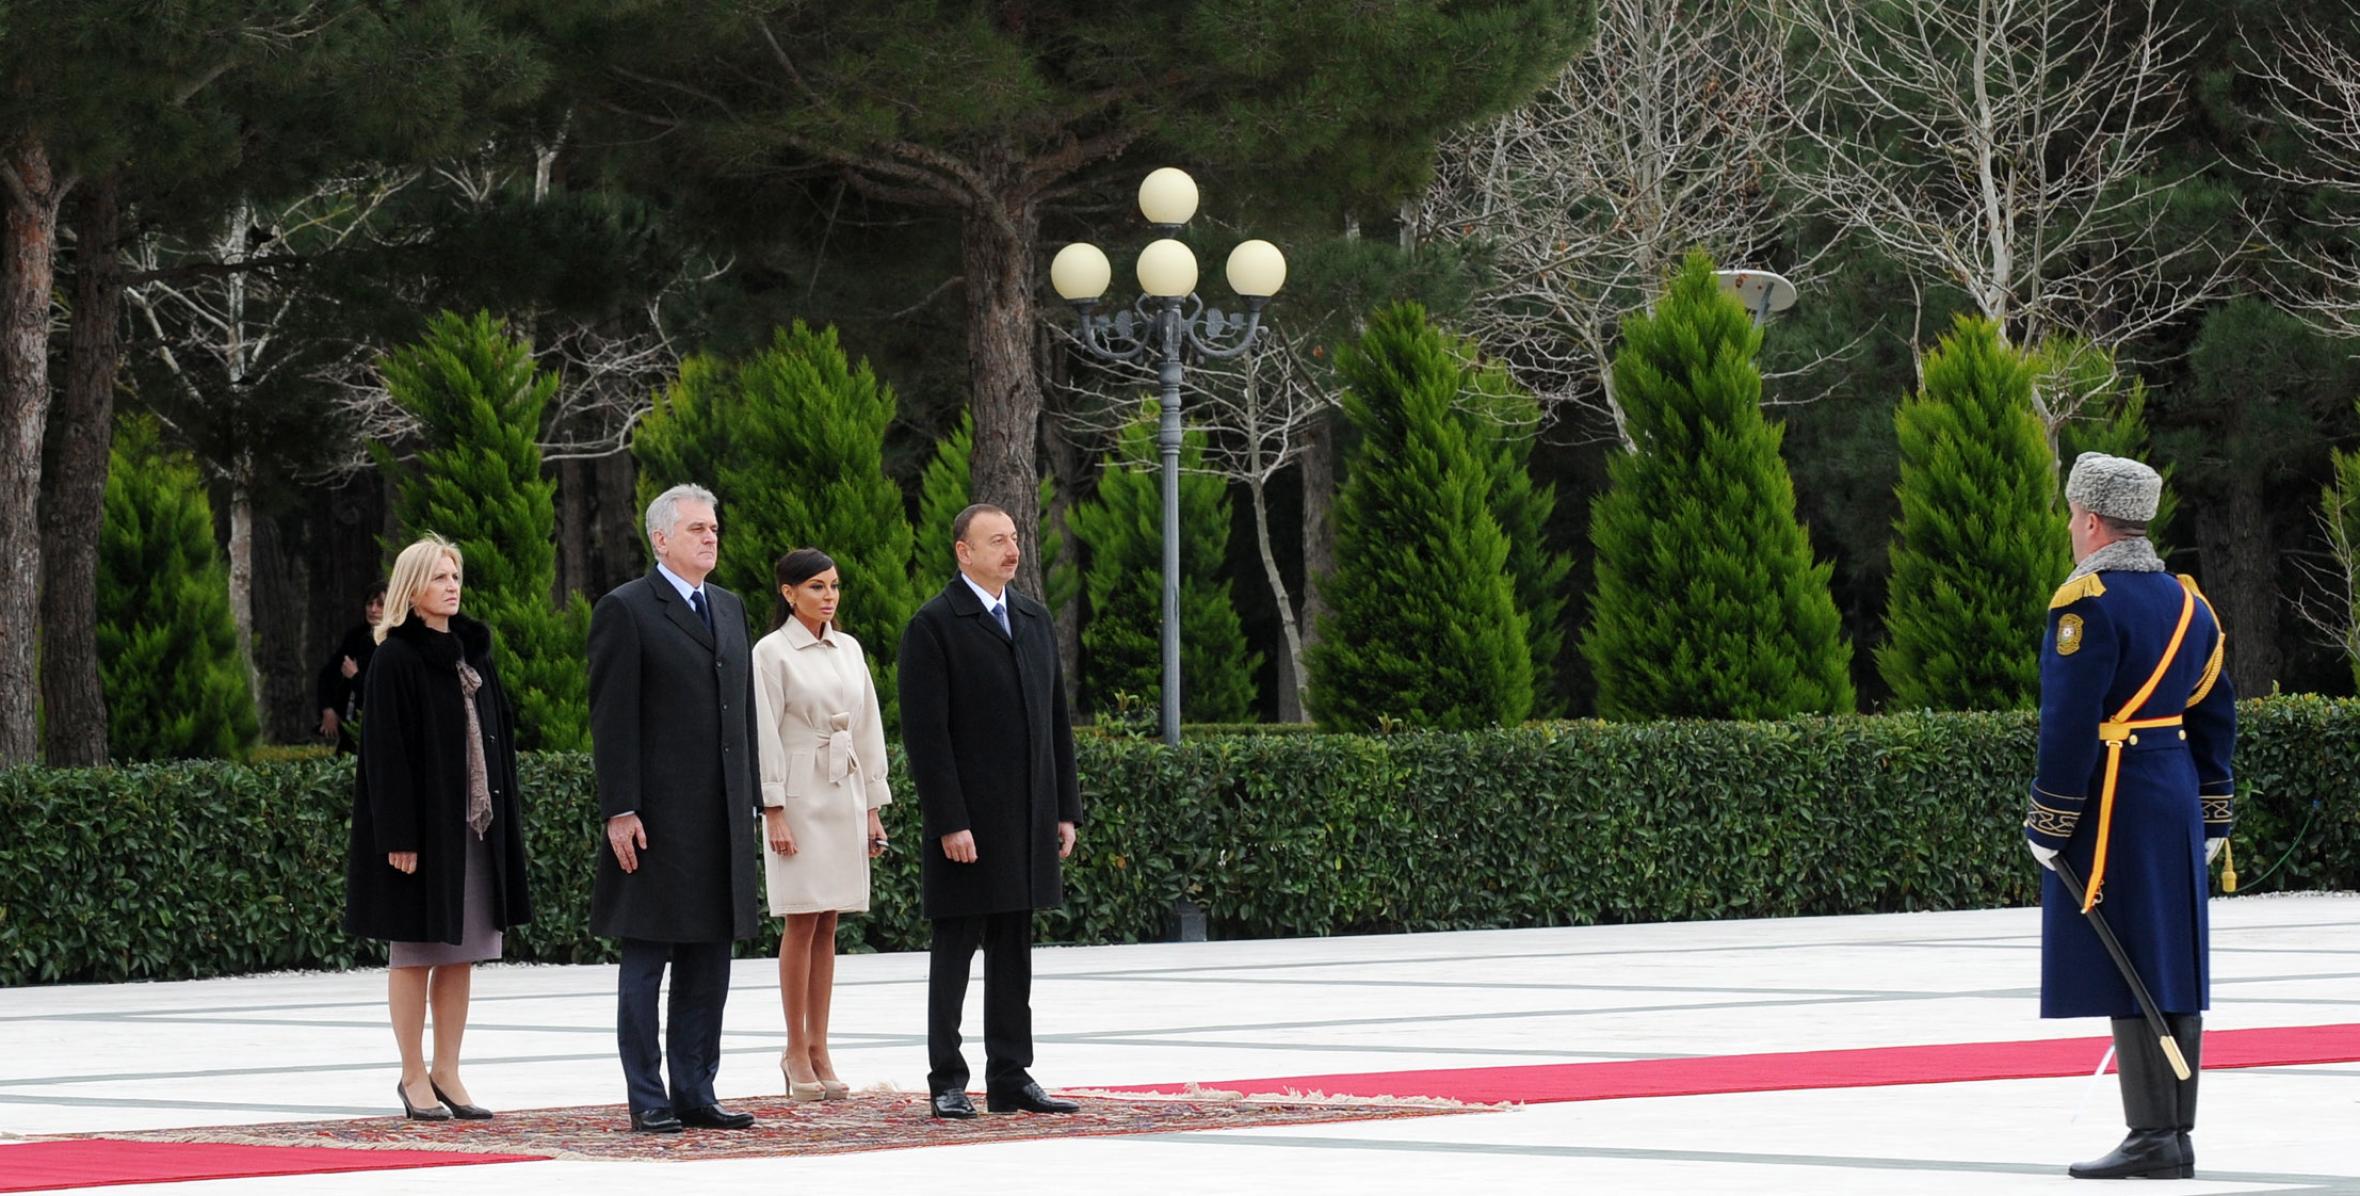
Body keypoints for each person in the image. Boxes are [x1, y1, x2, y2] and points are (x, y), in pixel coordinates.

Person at [2023, 452, 2235, 1181]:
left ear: (2089, 520)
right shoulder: (2189, 605)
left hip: (2115, 800)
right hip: (2173, 794)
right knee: (2170, 961)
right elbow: (2216, 715)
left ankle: (2153, 1135)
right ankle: (2172, 1133)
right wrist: (2214, 813)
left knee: (2129, 959)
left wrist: (2050, 820)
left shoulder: (2087, 601)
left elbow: (2070, 723)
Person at [588, 483, 763, 1135]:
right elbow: (613, 719)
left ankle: (696, 1089)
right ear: (660, 539)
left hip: (719, 816)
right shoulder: (627, 609)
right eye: (696, 529)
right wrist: (621, 809)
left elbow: (740, 715)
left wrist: (754, 799)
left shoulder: (729, 607)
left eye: (714, 527)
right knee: (647, 959)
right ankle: (649, 1095)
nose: (710, 537)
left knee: (709, 959)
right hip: (657, 820)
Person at [898, 504, 1083, 1120]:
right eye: (995, 540)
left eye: (1013, 539)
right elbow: (928, 737)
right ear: (963, 551)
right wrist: (951, 820)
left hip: (1027, 818)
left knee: (1014, 951)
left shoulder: (1031, 618)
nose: (1011, 549)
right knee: (955, 951)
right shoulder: (934, 625)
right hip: (969, 824)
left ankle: (1011, 1075)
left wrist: (1065, 809)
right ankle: (947, 1079)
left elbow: (1056, 720)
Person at [343, 536, 532, 1122]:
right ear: (412, 588)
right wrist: (399, 835)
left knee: (462, 952)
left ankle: (447, 1069)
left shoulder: (474, 653)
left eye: (455, 575)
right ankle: (412, 1074)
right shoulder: (395, 658)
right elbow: (385, 753)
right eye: (438, 577)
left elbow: (498, 736)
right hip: (423, 834)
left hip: (475, 827)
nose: (452, 585)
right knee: (415, 951)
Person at [752, 548, 892, 1102]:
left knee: (831, 920)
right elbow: (764, 730)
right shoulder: (771, 652)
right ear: (788, 593)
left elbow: (869, 727)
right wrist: (774, 808)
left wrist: (873, 807)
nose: (829, 595)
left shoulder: (849, 648)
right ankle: (793, 1049)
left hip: (844, 789)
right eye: (816, 587)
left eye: (833, 585)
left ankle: (820, 1045)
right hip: (798, 792)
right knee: (801, 920)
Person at [316, 585, 386, 753]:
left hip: (380, 732)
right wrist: (327, 709)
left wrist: (355, 677)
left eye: (381, 604)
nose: (373, 610)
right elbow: (327, 674)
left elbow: (385, 695)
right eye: (370, 604)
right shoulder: (356, 636)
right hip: (350, 727)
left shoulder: (396, 643)